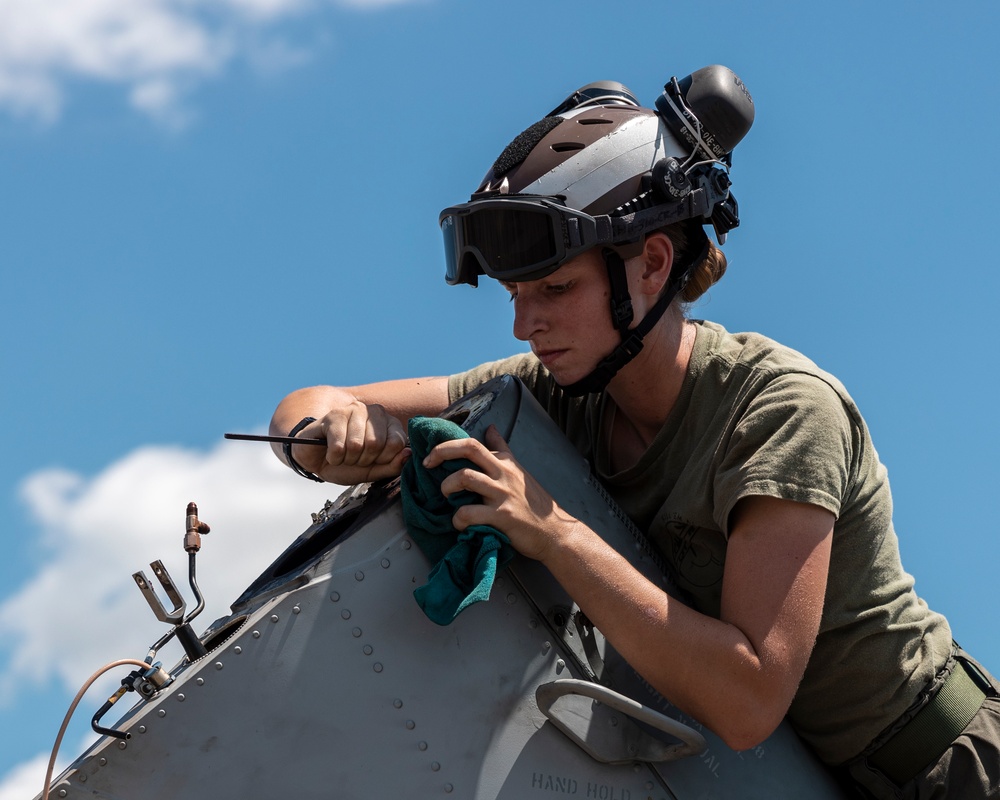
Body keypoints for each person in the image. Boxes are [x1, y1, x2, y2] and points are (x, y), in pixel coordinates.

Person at [269, 67, 999, 798]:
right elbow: (312, 403)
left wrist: (552, 531)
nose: (526, 326)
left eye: (555, 290)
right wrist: (330, 435)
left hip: (949, 770)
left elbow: (749, 698)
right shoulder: (558, 386)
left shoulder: (777, 408)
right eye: (516, 296)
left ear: (651, 265)